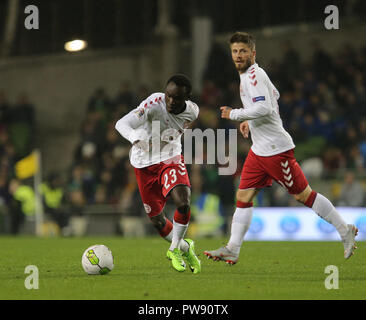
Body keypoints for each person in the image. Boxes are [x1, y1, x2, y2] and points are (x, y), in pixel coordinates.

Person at [204, 32, 358, 265]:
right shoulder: (249, 76)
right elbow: (273, 96)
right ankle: (232, 249)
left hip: (276, 149)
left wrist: (236, 114)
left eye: (243, 51)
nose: (238, 55)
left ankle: (344, 229)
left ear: (253, 53)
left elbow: (265, 107)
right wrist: (250, 120)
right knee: (243, 196)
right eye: (235, 51)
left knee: (302, 194)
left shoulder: (253, 75)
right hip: (259, 150)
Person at [115, 74, 201, 273]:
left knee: (184, 202)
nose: (170, 101)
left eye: (176, 98)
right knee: (158, 220)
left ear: (186, 98)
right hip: (143, 163)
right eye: (168, 96)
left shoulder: (193, 112)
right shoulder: (154, 103)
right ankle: (185, 247)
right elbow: (121, 124)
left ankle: (174, 249)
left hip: (170, 157)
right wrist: (135, 136)